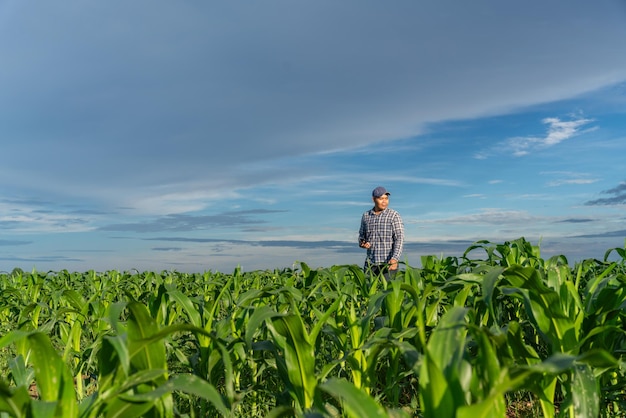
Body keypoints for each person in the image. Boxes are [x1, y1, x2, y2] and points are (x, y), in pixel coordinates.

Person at [358, 186, 404, 279]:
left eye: (386, 198)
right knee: (368, 292)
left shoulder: (394, 215)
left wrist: (395, 258)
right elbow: (362, 236)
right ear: (373, 199)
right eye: (381, 198)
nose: (384, 201)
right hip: (370, 264)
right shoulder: (366, 216)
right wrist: (362, 243)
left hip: (388, 264)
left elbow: (399, 238)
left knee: (388, 292)